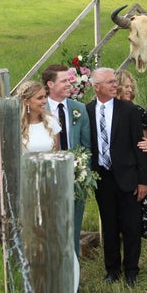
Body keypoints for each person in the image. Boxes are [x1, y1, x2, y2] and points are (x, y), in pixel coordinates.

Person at [87, 67, 147, 287]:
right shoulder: (87, 111)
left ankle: (132, 270)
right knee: (110, 226)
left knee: (131, 226)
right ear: (97, 87)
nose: (115, 85)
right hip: (103, 177)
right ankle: (112, 270)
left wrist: (143, 181)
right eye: (110, 82)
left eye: (115, 81)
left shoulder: (129, 110)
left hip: (128, 176)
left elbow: (139, 146)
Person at [42, 64, 91, 258]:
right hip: (48, 176)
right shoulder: (39, 109)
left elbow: (87, 145)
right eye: (63, 80)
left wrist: (83, 170)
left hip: (75, 176)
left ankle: (73, 266)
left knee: (74, 222)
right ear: (50, 84)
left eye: (70, 80)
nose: (69, 84)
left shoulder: (78, 109)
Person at [115, 69, 147, 238]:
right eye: (126, 86)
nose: (130, 90)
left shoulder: (137, 111)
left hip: (136, 164)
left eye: (131, 87)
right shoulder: (108, 110)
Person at [14, 80, 61, 153]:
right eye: (40, 98)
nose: (45, 101)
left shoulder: (51, 122)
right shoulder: (16, 125)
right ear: (26, 102)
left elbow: (56, 154)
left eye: (45, 97)